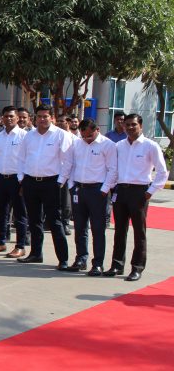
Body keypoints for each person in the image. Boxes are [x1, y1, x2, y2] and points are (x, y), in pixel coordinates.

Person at [104, 114, 169, 281]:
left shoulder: (150, 146)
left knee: (139, 232)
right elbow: (113, 168)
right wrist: (110, 187)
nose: (130, 128)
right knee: (119, 230)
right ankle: (117, 265)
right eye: (127, 125)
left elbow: (162, 172)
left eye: (133, 124)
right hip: (120, 191)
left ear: (141, 125)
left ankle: (137, 267)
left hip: (139, 192)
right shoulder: (119, 146)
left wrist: (150, 191)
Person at [17, 104, 74, 270]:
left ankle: (63, 259)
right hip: (30, 182)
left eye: (45, 116)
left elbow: (67, 161)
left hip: (52, 183)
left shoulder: (61, 135)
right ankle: (36, 253)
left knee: (55, 221)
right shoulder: (29, 136)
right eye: (39, 116)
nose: (42, 119)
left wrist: (60, 181)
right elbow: (21, 158)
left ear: (52, 118)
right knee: (34, 220)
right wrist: (22, 179)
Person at [66, 118, 118, 276]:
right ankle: (81, 259)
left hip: (97, 190)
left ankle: (98, 263)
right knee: (80, 227)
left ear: (97, 130)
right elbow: (71, 165)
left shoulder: (108, 145)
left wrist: (104, 189)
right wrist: (71, 186)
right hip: (79, 189)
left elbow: (113, 169)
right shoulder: (77, 144)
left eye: (89, 136)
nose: (86, 139)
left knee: (97, 229)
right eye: (83, 136)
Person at [0, 106, 28, 258]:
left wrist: (24, 182)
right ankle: (1, 242)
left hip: (17, 179)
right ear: (2, 118)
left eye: (11, 116)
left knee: (19, 214)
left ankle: (20, 246)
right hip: (1, 179)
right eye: (6, 116)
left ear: (17, 118)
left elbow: (27, 160)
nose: (8, 119)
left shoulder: (24, 136)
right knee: (1, 213)